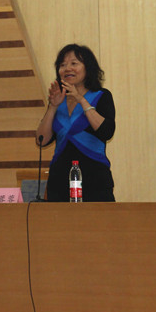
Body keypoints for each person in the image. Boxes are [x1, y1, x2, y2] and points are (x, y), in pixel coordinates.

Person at [36, 44, 116, 202]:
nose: (67, 69)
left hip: (95, 180)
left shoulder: (101, 96)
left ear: (88, 68)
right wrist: (53, 106)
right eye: (62, 65)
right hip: (59, 181)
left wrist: (80, 99)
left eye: (74, 63)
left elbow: (107, 132)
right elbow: (41, 140)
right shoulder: (58, 99)